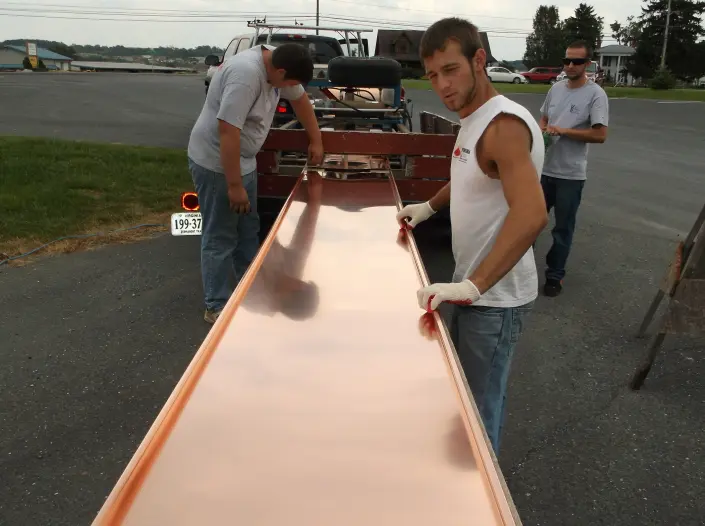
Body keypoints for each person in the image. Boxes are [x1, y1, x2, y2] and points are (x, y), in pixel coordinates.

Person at [396, 17, 548, 454]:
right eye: (432, 75)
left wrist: (474, 285)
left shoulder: (503, 127)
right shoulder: (473, 120)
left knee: (478, 414)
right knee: (462, 401)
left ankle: (481, 490)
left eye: (451, 69)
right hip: (472, 289)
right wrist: (428, 207)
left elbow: (533, 213)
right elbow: (469, 176)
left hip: (494, 299)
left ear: (479, 60)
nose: (442, 85)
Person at [187, 43, 324, 324]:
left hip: (244, 162)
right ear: (280, 71)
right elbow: (228, 131)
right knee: (221, 236)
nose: (289, 89)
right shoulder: (245, 76)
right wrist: (234, 186)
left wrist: (316, 139)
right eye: (289, 83)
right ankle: (216, 305)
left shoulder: (278, 62)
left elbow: (300, 100)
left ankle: (246, 292)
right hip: (217, 164)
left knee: (248, 233)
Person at [538, 40, 609, 297]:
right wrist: (543, 129)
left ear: (587, 64)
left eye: (576, 61)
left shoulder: (595, 95)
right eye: (566, 60)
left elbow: (600, 135)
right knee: (529, 223)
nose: (570, 65)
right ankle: (517, 271)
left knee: (562, 229)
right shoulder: (556, 89)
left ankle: (554, 276)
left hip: (570, 175)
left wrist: (564, 131)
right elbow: (544, 117)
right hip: (544, 170)